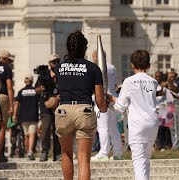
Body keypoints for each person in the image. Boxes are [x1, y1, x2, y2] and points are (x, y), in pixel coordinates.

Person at [54, 30, 107, 180]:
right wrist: (103, 108)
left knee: (66, 154)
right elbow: (99, 99)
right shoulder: (92, 68)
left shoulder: (59, 67)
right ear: (84, 48)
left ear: (68, 48)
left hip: (64, 110)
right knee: (84, 160)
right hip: (84, 110)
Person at [106, 50, 159, 180]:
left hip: (138, 124)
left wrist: (110, 101)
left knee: (139, 161)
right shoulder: (153, 82)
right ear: (148, 65)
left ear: (132, 65)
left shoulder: (129, 81)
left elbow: (120, 107)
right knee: (146, 159)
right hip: (153, 123)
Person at [91, 50, 123, 161]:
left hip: (102, 99)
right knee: (113, 128)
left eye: (93, 57)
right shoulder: (112, 67)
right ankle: (118, 152)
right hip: (112, 98)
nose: (93, 60)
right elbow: (113, 84)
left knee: (102, 127)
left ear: (96, 57)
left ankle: (104, 152)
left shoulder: (98, 67)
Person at [37, 54, 62, 162]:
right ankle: (44, 152)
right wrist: (41, 88)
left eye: (57, 61)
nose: (55, 63)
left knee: (58, 130)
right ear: (50, 63)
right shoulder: (44, 75)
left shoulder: (62, 73)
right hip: (46, 105)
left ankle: (57, 153)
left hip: (59, 105)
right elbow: (36, 89)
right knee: (46, 129)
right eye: (53, 62)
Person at [13, 75, 39, 160]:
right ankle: (30, 152)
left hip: (23, 117)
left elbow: (16, 103)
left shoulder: (21, 92)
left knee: (26, 135)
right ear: (32, 81)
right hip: (33, 116)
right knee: (32, 134)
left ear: (25, 81)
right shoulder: (35, 91)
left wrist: (14, 115)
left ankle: (28, 152)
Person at [0, 49, 14, 162]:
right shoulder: (7, 68)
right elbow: (9, 87)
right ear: (5, 59)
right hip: (2, 96)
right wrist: (11, 104)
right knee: (3, 126)